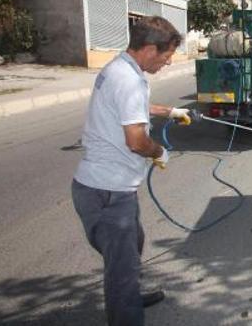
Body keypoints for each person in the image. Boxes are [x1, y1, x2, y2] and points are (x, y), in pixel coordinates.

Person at [71, 16, 192, 326]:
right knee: (121, 273)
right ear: (151, 49)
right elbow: (137, 141)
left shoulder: (120, 69)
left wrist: (171, 111)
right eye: (167, 56)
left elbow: (135, 107)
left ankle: (129, 294)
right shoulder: (128, 80)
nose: (168, 63)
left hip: (105, 189)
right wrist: (160, 152)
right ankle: (126, 306)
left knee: (132, 243)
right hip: (108, 192)